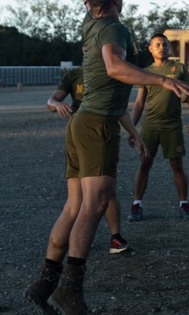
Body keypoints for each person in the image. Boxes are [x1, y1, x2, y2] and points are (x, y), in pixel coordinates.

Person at [25, 0, 189, 315]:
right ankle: (71, 289)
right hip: (97, 124)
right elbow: (115, 67)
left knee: (75, 206)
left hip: (81, 122)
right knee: (96, 203)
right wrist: (163, 80)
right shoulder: (114, 29)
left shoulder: (91, 20)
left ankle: (44, 283)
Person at [48, 67, 134, 254]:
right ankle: (76, 242)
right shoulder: (73, 75)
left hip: (100, 132)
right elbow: (51, 101)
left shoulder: (110, 71)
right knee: (77, 198)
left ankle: (115, 237)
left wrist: (135, 134)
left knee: (106, 190)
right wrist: (56, 104)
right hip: (81, 134)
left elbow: (121, 109)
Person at [129, 34, 189, 221]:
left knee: (177, 165)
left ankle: (184, 204)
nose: (162, 48)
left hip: (172, 125)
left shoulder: (179, 68)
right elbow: (139, 103)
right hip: (150, 126)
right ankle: (137, 204)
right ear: (150, 49)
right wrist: (131, 129)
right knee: (145, 163)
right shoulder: (146, 72)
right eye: (158, 45)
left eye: (165, 45)